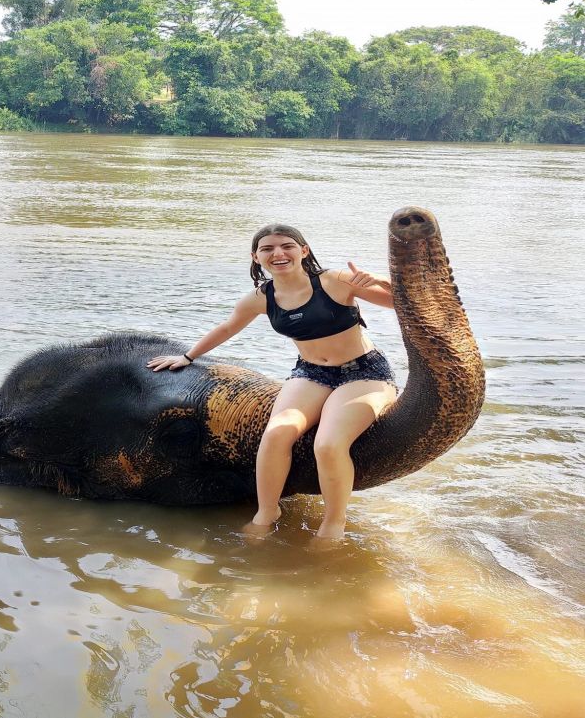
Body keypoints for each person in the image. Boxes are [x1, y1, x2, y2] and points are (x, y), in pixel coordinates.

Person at [147, 224, 397, 540]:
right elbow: (228, 328)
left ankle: (333, 523)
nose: (278, 253)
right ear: (256, 257)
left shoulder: (335, 281)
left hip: (364, 373)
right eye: (267, 249)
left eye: (286, 246)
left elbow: (398, 303)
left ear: (303, 250)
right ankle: (267, 512)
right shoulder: (261, 298)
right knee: (277, 433)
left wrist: (382, 280)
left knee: (328, 444)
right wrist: (187, 356)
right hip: (311, 373)